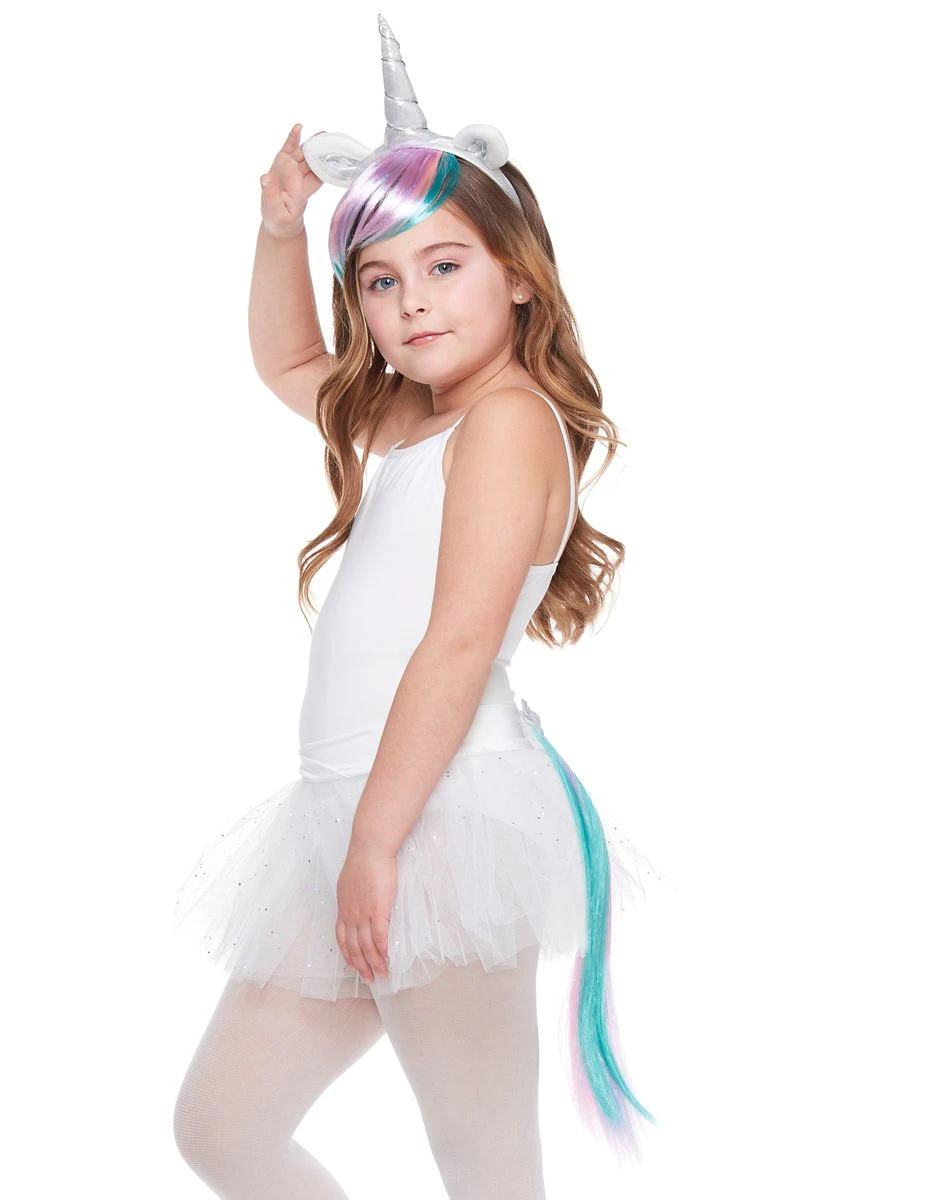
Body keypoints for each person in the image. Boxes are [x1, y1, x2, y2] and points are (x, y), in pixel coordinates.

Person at [172, 17, 661, 1198]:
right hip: (351, 815)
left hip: (436, 823)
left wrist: (380, 846)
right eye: (380, 281)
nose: (411, 303)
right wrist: (278, 232)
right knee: (224, 1129)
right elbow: (291, 367)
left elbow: (455, 644)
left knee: (482, 1163)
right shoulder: (415, 418)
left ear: (516, 274)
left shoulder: (506, 422)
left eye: (444, 266)